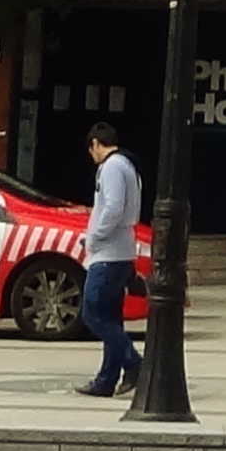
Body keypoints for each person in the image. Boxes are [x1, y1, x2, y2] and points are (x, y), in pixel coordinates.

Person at [78, 121, 145, 398]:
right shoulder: (128, 165)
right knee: (111, 317)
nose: (91, 156)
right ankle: (106, 380)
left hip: (108, 254)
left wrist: (94, 238)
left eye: (91, 149)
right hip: (120, 251)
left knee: (92, 314)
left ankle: (136, 362)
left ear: (96, 143)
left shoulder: (112, 167)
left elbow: (113, 208)